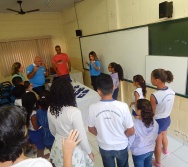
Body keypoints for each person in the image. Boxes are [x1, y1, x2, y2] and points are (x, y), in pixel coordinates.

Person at [87, 74, 134, 167]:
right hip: (121, 146)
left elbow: (90, 128)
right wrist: (122, 136)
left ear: (98, 91)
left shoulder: (92, 108)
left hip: (104, 146)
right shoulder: (123, 106)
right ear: (113, 87)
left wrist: (102, 134)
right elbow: (131, 131)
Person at [48, 77, 94, 167]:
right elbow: (81, 137)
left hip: (58, 147)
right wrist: (89, 152)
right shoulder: (74, 111)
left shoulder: (50, 108)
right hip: (73, 150)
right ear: (70, 93)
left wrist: (61, 137)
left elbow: (52, 130)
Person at [150, 69, 175, 167]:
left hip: (158, 121)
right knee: (164, 135)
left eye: (151, 77)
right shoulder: (171, 91)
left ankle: (158, 162)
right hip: (167, 119)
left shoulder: (154, 96)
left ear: (156, 80)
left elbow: (152, 113)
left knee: (158, 142)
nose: (150, 79)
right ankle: (166, 150)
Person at [129, 99, 159, 167]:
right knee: (148, 165)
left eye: (135, 107)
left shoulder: (134, 125)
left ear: (139, 111)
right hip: (150, 150)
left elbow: (130, 141)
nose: (134, 108)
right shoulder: (155, 123)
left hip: (138, 153)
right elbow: (155, 137)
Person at [22, 92, 49, 159]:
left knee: (38, 146)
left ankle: (40, 156)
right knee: (40, 148)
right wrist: (42, 124)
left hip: (30, 132)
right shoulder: (33, 114)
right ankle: (41, 157)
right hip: (36, 133)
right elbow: (36, 128)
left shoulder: (24, 110)